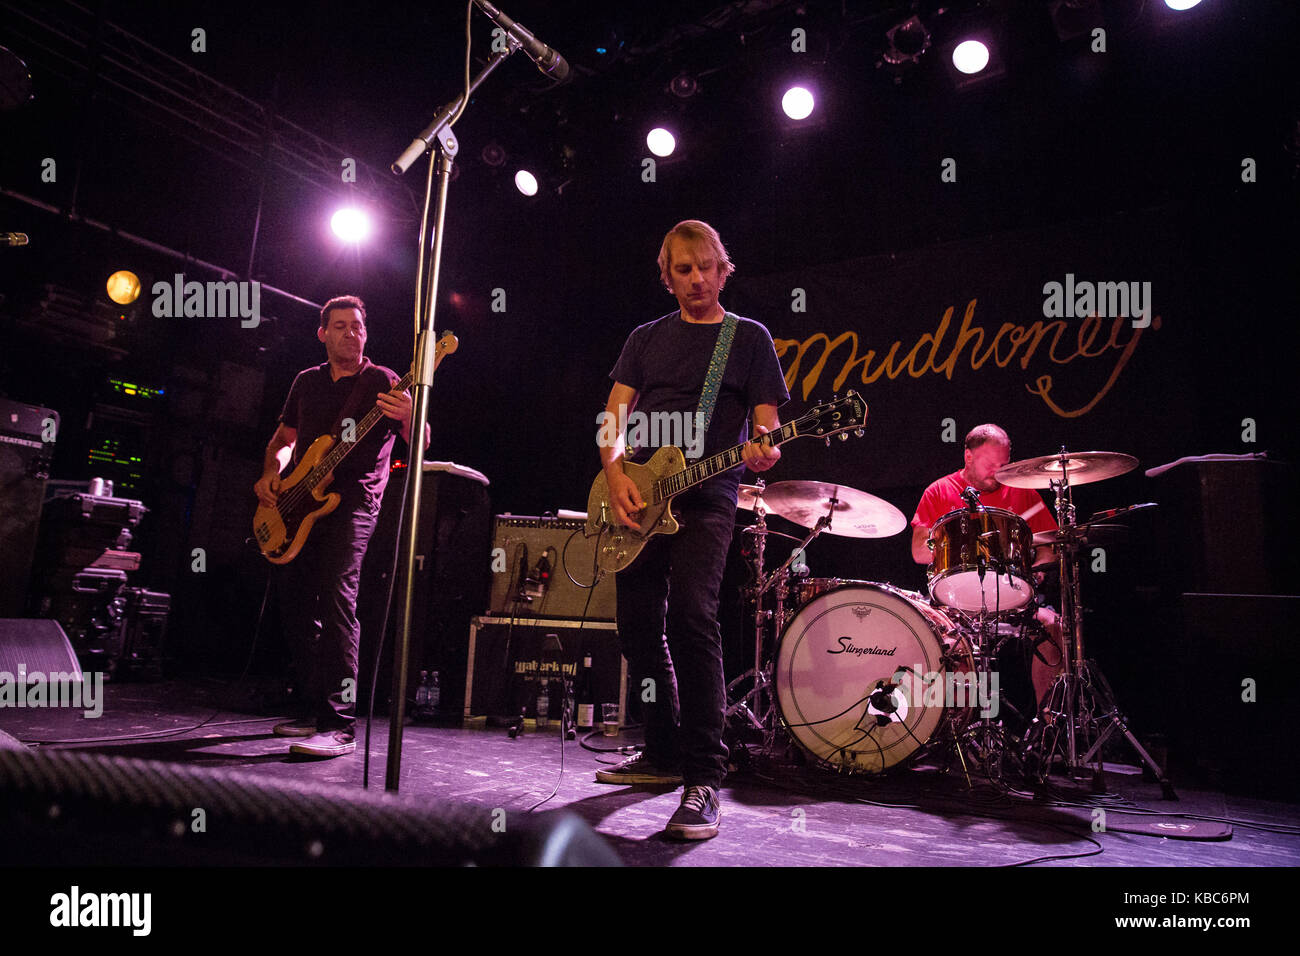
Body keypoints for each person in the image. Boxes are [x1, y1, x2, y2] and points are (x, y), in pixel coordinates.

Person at [595, 220, 789, 840]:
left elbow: (766, 428)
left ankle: (705, 775)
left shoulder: (748, 339)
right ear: (667, 276)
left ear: (724, 269)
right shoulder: (644, 339)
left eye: (707, 266)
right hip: (635, 498)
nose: (697, 278)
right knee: (636, 631)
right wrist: (616, 470)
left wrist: (765, 450)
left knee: (691, 619)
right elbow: (612, 418)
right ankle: (661, 750)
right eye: (684, 269)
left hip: (707, 499)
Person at [253, 295, 429, 757]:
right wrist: (272, 473)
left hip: (353, 502)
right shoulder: (306, 382)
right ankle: (312, 705)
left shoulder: (383, 380)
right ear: (322, 334)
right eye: (340, 326)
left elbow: (420, 441)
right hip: (298, 501)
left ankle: (339, 723)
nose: (351, 332)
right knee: (292, 599)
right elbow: (283, 440)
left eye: (357, 326)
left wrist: (411, 417)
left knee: (337, 597)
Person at [910, 424, 1065, 722]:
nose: (998, 471)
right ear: (968, 456)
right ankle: (956, 726)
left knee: (1054, 626)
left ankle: (1047, 726)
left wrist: (1036, 569)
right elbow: (919, 551)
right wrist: (955, 546)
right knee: (937, 638)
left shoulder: (1022, 492)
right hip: (956, 605)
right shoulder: (939, 490)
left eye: (1004, 464)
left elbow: (1050, 546)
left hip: (1013, 602)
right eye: (990, 464)